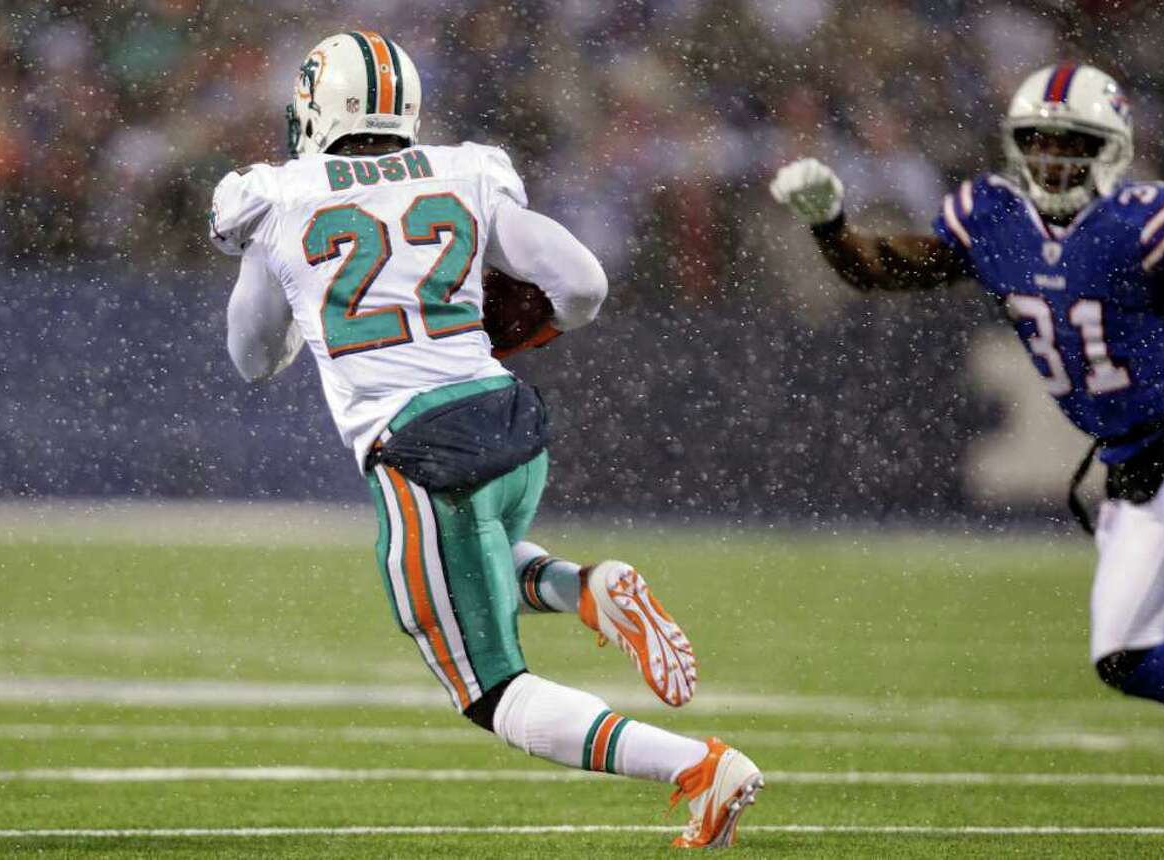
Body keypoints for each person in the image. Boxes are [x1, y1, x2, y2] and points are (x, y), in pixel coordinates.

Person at [209, 31, 761, 848]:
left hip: (421, 452)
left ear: (317, 108)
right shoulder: (463, 171)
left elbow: (252, 358)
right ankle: (584, 588)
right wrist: (536, 326)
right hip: (510, 423)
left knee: (492, 691)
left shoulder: (277, 198)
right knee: (479, 552)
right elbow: (584, 282)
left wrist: (294, 303)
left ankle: (697, 767)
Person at [770, 63, 1164, 711]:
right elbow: (887, 270)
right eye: (1039, 141)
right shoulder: (993, 216)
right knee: (1124, 654)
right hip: (1131, 467)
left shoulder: (1150, 220)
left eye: (1074, 142)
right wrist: (831, 228)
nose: (1053, 158)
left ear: (1114, 149)